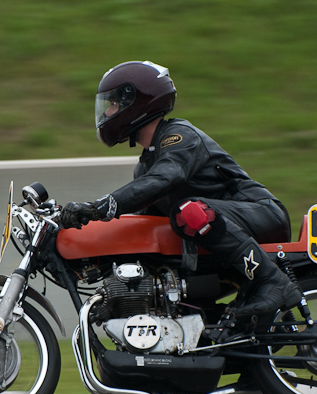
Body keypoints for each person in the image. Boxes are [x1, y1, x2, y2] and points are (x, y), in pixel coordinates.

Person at [60, 60, 301, 320]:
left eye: (114, 104)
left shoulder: (179, 136)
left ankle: (272, 280)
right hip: (213, 235)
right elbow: (141, 225)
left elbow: (166, 178)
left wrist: (100, 207)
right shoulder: (145, 167)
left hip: (262, 216)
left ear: (137, 103)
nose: (108, 113)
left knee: (188, 211)